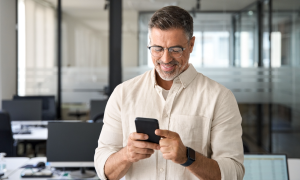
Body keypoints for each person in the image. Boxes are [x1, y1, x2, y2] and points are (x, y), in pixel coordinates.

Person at [94, 6, 244, 180]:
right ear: (149, 43)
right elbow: (103, 169)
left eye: (175, 49)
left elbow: (234, 172)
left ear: (191, 45)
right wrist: (126, 155)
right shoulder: (123, 94)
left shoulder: (220, 98)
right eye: (157, 48)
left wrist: (188, 157)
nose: (165, 59)